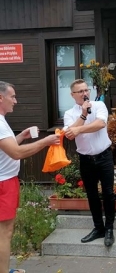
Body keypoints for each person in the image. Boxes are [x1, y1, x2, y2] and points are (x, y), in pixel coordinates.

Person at [0, 81, 60, 273]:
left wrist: (20, 137)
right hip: (3, 183)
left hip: (6, 180)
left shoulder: (2, 121)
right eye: (12, 96)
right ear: (0, 98)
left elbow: (8, 148)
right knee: (4, 232)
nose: (15, 101)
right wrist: (45, 141)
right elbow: (16, 153)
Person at [64, 79, 115, 247]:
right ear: (73, 95)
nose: (85, 93)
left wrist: (78, 128)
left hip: (104, 156)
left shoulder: (99, 105)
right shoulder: (69, 113)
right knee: (92, 194)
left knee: (108, 193)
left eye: (86, 90)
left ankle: (109, 229)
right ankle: (98, 228)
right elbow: (70, 134)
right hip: (86, 159)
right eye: (80, 91)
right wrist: (83, 116)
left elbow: (100, 124)